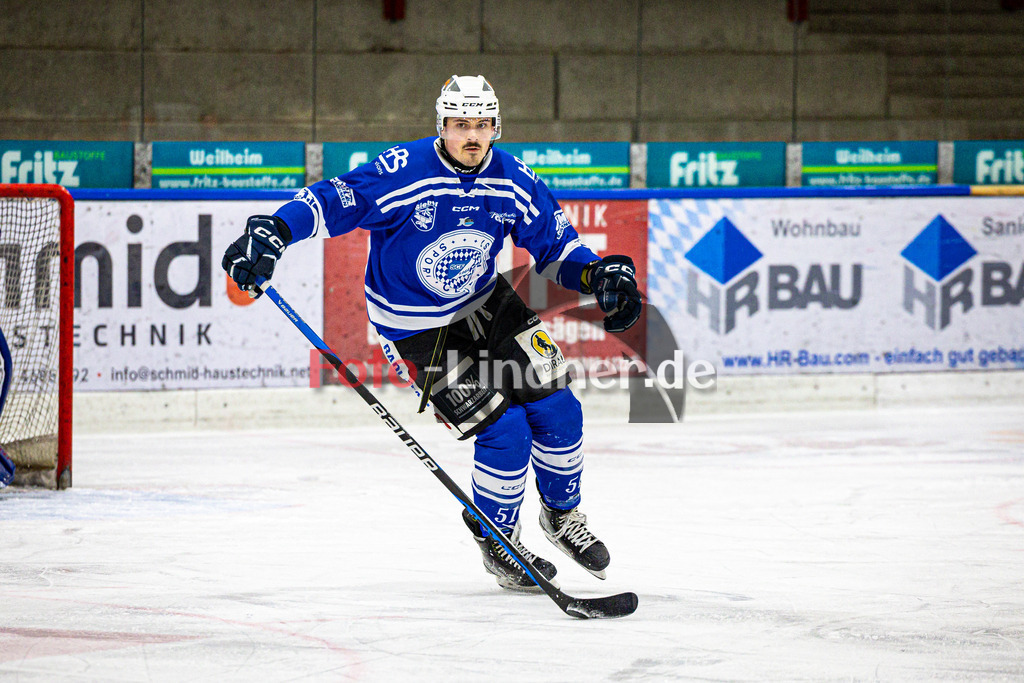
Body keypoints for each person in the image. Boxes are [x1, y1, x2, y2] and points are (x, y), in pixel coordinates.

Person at [222, 75, 642, 591]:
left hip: (487, 304)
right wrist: (276, 230)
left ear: (496, 128)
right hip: (418, 332)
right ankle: (498, 540)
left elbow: (554, 243)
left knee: (559, 407)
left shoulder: (512, 178)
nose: (472, 135)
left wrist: (597, 275)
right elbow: (332, 200)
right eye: (461, 124)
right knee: (504, 432)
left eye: (482, 125)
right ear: (441, 125)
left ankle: (560, 517)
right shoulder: (403, 171)